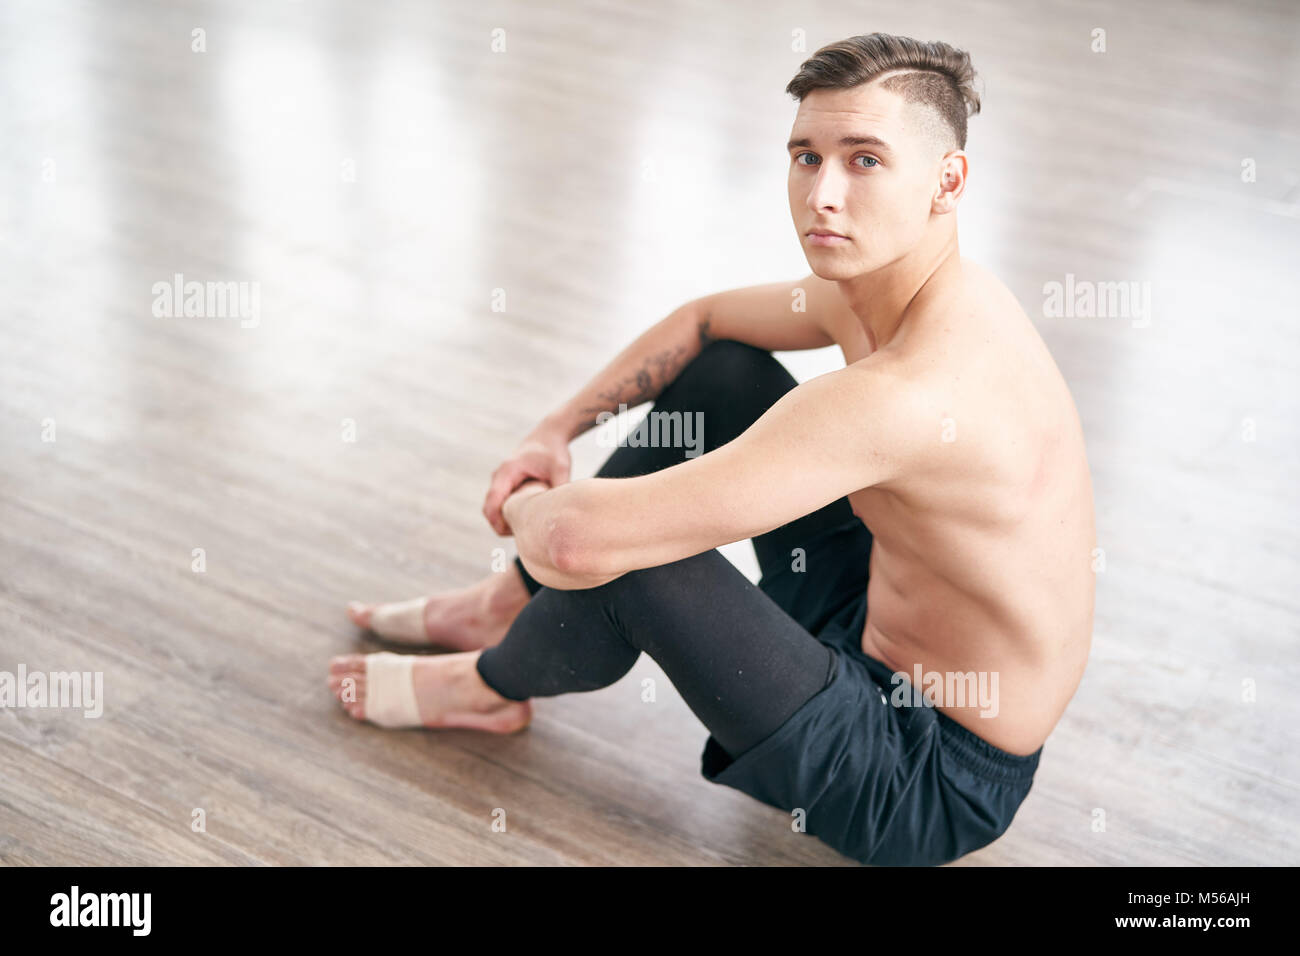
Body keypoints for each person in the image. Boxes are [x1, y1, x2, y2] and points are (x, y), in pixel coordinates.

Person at [327, 32, 1096, 866]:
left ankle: (485, 686)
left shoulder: (912, 390)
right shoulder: (894, 288)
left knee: (635, 554)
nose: (822, 196)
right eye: (807, 156)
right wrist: (552, 433)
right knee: (727, 376)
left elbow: (579, 538)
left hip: (925, 770)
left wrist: (527, 508)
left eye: (865, 161)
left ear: (949, 182)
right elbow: (705, 320)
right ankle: (501, 603)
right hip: (870, 614)